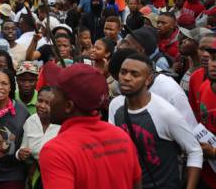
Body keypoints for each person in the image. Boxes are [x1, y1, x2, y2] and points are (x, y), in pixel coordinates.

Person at [39, 62, 142, 189]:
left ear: (68, 106)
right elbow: (137, 184)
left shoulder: (56, 151)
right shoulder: (121, 136)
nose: (50, 100)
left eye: (53, 94)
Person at [109, 53, 202, 189]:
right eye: (123, 72)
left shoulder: (166, 112)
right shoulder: (116, 105)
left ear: (148, 79)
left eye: (135, 74)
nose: (126, 78)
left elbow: (194, 151)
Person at [16, 87, 60, 189]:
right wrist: (20, 154)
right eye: (40, 101)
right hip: (39, 177)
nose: (42, 106)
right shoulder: (31, 121)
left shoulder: (62, 124)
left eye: (47, 103)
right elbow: (22, 150)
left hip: (60, 175)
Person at [194, 39, 216, 188]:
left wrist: (214, 152)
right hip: (205, 174)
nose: (214, 64)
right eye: (213, 58)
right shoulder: (204, 87)